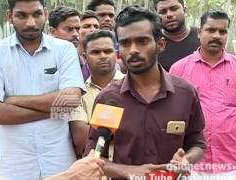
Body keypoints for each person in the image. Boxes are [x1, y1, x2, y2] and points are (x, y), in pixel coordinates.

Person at [85, 6, 206, 179]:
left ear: (160, 44)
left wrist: (185, 159)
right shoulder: (109, 99)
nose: (133, 50)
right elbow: (93, 157)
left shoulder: (185, 94)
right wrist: (130, 172)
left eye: (142, 41)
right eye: (126, 43)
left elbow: (197, 143)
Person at [0, 0, 85, 179]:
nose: (31, 22)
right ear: (10, 16)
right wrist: (54, 110)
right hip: (15, 167)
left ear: (45, 14)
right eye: (21, 15)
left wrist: (12, 100)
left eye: (37, 14)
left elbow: (71, 101)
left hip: (60, 163)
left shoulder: (64, 50)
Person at [169, 10, 236, 179]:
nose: (217, 36)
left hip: (230, 164)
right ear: (199, 32)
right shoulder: (178, 69)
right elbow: (171, 116)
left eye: (222, 31)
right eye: (211, 30)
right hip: (190, 163)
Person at [70, 29, 125, 158]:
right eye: (95, 52)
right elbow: (81, 141)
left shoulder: (133, 87)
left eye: (108, 51)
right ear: (84, 57)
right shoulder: (78, 94)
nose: (103, 56)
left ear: (116, 54)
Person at [154, 0, 200, 71]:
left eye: (174, 9)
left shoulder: (202, 37)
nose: (169, 15)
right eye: (163, 11)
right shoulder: (153, 43)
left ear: (184, 10)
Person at [77, 10, 100, 81]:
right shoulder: (69, 58)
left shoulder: (106, 57)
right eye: (87, 26)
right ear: (77, 30)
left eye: (96, 27)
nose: (93, 30)